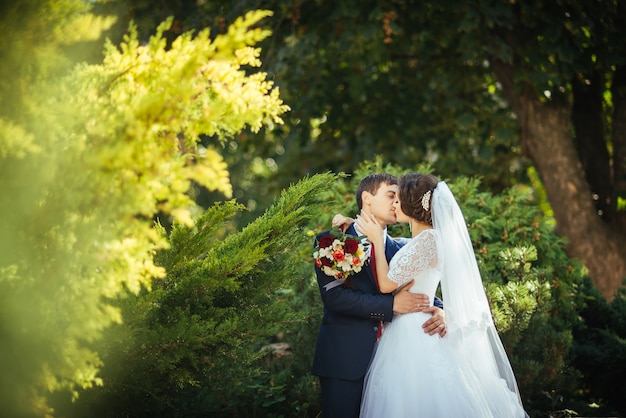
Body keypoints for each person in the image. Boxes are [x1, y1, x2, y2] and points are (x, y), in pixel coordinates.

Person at [353, 173, 528, 417]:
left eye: (398, 199)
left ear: (412, 205)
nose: (394, 204)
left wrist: (375, 242)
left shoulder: (428, 241)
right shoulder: (420, 241)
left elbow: (385, 284)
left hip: (415, 331)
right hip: (408, 326)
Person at [311, 173, 446, 418]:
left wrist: (441, 309)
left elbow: (416, 287)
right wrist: (390, 305)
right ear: (367, 198)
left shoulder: (403, 248)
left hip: (396, 363)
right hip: (346, 360)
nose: (397, 202)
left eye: (400, 197)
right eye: (391, 195)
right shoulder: (332, 241)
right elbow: (335, 298)